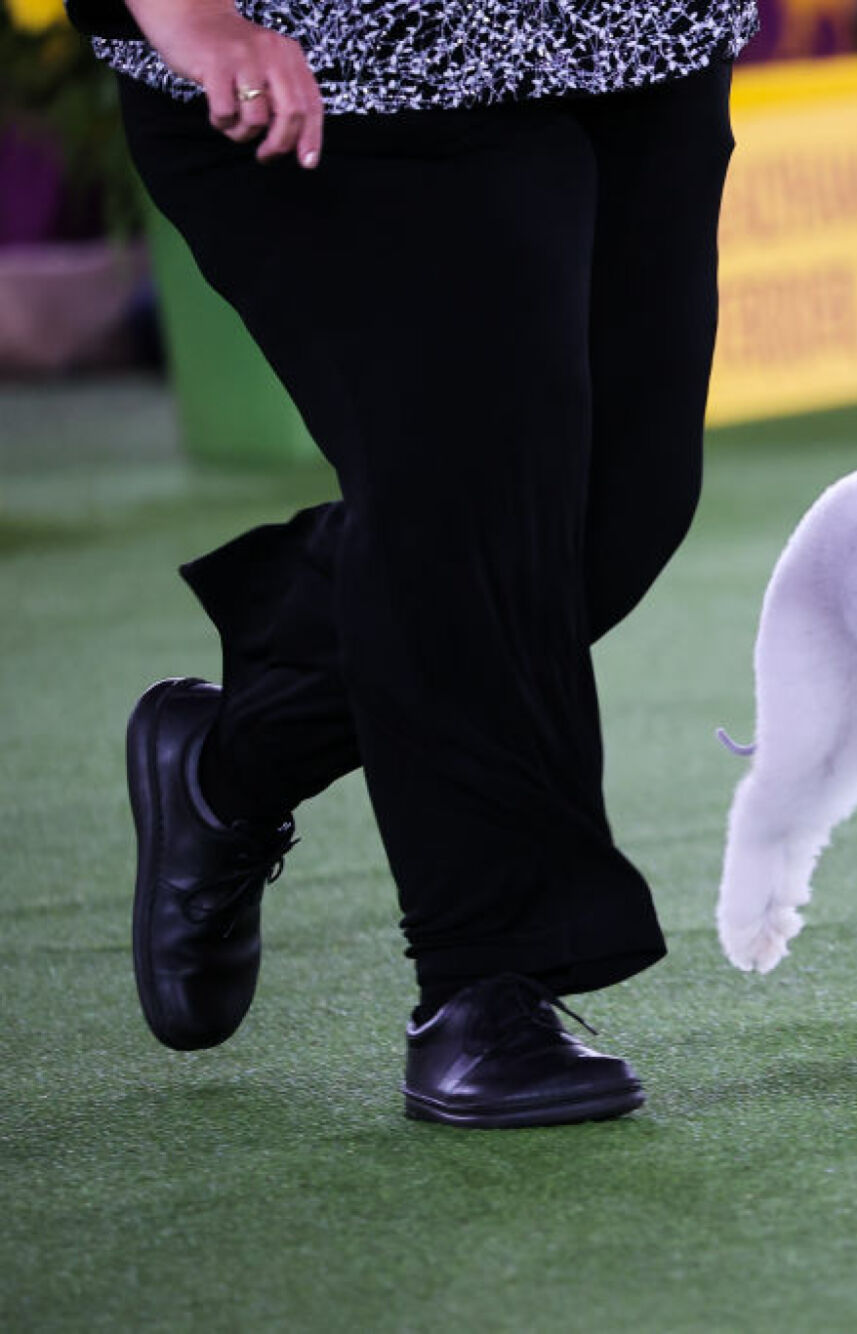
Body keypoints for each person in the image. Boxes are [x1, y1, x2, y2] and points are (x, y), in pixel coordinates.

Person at [69, 0, 758, 1129]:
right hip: (351, 72)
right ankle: (484, 983)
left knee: (613, 511)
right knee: (473, 503)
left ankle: (232, 757)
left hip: (635, 43)